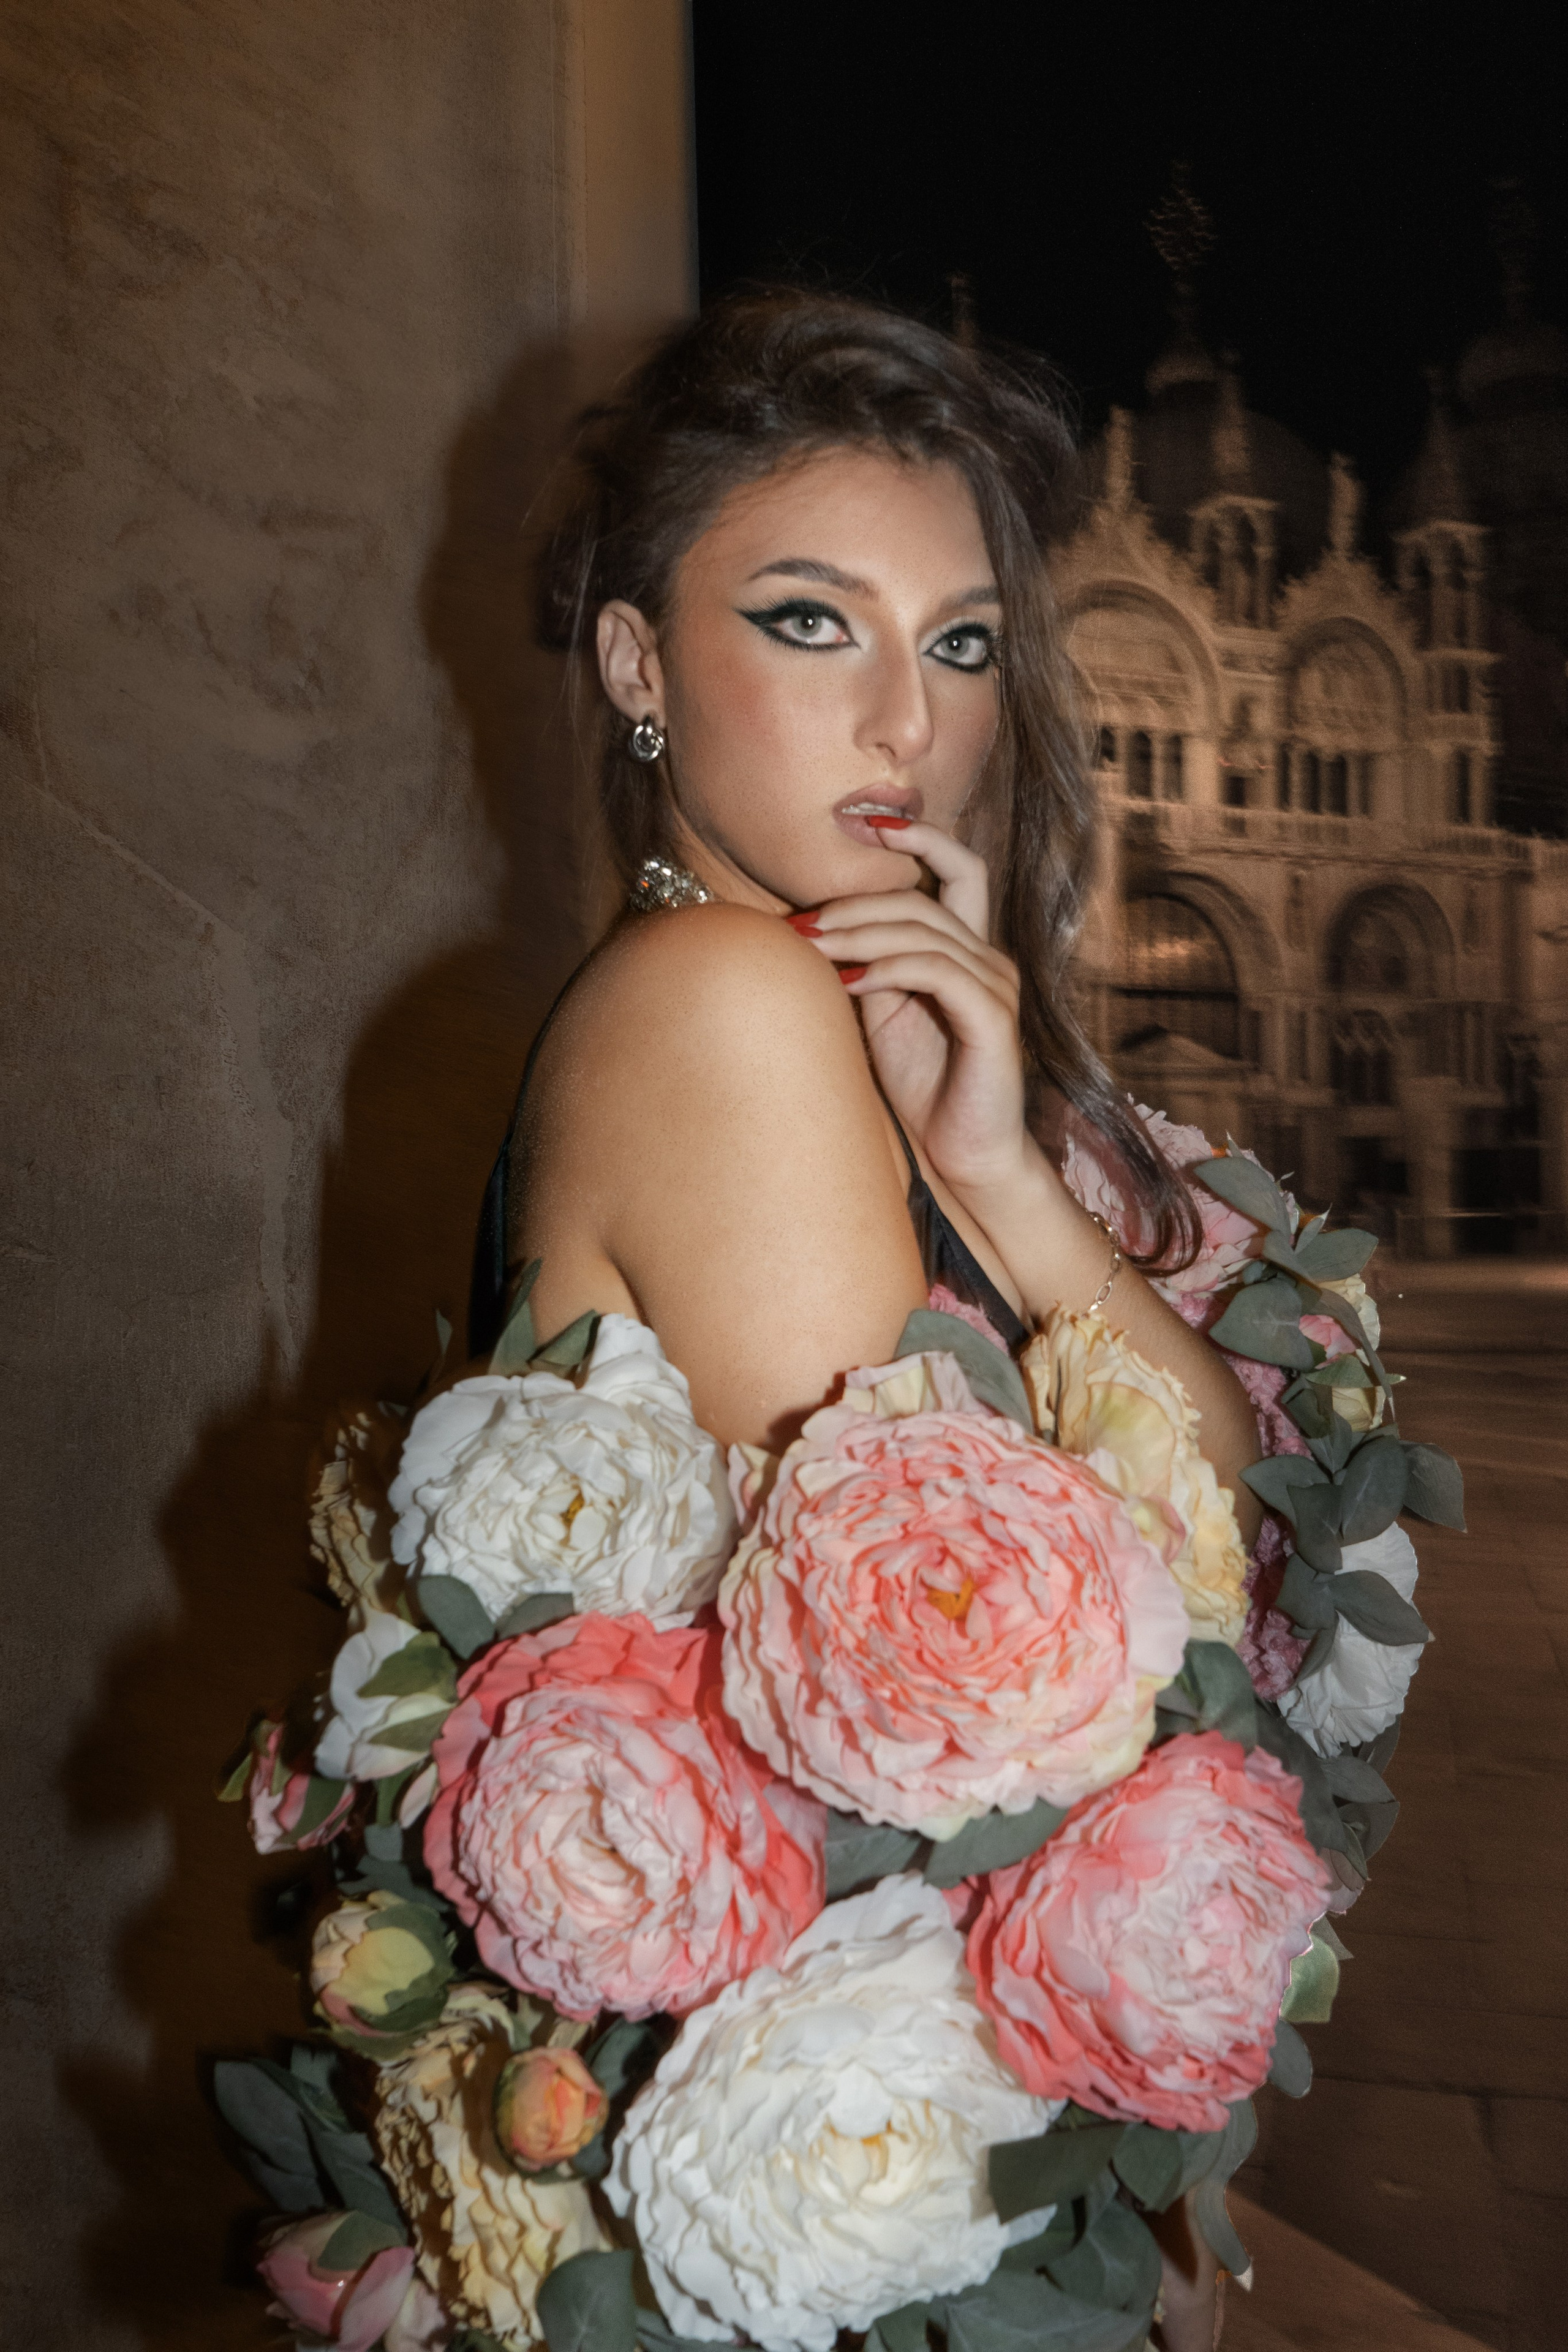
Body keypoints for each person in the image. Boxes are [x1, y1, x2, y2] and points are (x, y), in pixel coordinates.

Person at [472, 289, 1263, 2351]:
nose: (911, 721)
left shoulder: (810, 1008)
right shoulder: (723, 1011)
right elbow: (969, 1744)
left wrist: (1000, 1175)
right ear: (639, 663)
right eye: (814, 622)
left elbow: (1214, 1505)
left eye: (966, 640)